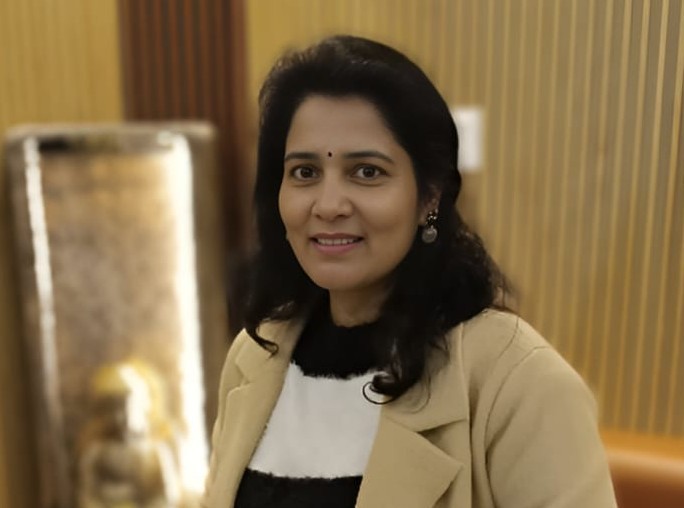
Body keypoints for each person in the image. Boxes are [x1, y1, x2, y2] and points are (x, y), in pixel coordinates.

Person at [202, 35, 617, 508]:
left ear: (429, 196)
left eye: (367, 172)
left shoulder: (518, 383)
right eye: (305, 172)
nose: (329, 205)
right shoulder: (255, 356)